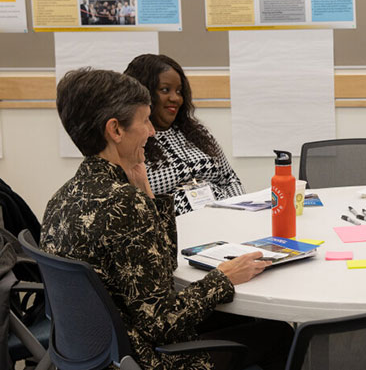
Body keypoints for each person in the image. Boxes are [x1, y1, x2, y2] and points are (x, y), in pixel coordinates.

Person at [42, 68, 293, 370]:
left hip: (96, 356)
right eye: (145, 120)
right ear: (115, 130)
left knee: (232, 316)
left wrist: (147, 196)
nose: (152, 132)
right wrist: (223, 277)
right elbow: (162, 322)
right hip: (146, 359)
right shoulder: (123, 203)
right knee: (278, 334)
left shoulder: (62, 197)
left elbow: (158, 275)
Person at [124, 54, 245, 215]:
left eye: (179, 91)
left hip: (225, 219)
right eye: (165, 90)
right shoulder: (132, 142)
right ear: (144, 92)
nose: (175, 98)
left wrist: (240, 213)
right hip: (174, 231)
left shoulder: (196, 133)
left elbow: (229, 178)